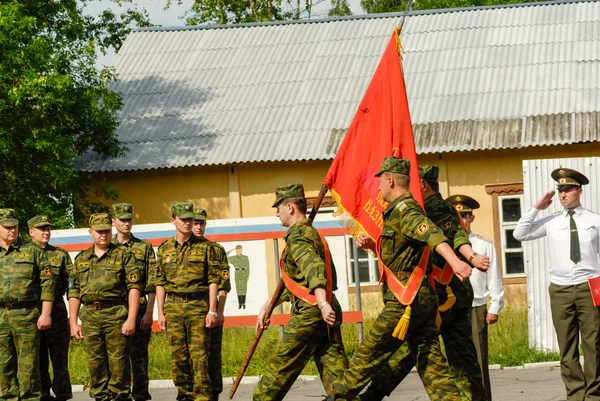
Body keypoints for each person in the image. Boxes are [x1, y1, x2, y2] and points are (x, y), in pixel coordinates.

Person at [332, 158, 471, 401]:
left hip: (406, 300)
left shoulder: (406, 209)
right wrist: (374, 247)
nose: (378, 188)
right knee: (431, 364)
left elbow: (432, 234)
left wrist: (456, 262)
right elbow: (401, 255)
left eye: (380, 182)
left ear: (390, 180)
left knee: (369, 352)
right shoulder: (397, 211)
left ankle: (338, 397)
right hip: (419, 297)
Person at [253, 183, 348, 401]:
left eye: (278, 207)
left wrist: (322, 304)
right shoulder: (311, 233)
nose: (277, 212)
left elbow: (313, 269)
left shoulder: (297, 237)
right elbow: (298, 282)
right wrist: (269, 304)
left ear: (290, 207)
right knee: (338, 380)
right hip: (326, 311)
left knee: (275, 376)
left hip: (310, 313)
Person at [514, 168, 600, 400]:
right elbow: (519, 234)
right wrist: (536, 208)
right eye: (560, 189)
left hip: (588, 287)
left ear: (579, 191)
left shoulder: (595, 220)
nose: (563, 194)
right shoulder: (551, 221)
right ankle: (575, 394)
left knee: (594, 345)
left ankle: (594, 395)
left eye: (568, 189)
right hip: (560, 289)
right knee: (567, 345)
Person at [68, 212, 143, 401]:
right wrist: (73, 322)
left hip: (116, 315)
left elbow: (134, 288)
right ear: (90, 232)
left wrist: (131, 319)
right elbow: (74, 292)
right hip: (90, 317)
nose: (103, 235)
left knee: (119, 367)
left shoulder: (124, 255)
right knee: (96, 367)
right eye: (99, 231)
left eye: (106, 231)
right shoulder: (81, 259)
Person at [155, 202, 225, 401]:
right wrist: (160, 312)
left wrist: (212, 310)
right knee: (178, 358)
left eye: (190, 219)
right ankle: (184, 396)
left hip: (198, 306)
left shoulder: (205, 247)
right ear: (173, 220)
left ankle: (203, 397)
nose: (188, 223)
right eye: (183, 219)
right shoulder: (164, 249)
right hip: (173, 306)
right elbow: (160, 282)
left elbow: (214, 280)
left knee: (200, 357)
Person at [447, 194, 504, 401]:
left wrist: (495, 306)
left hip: (476, 306)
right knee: (453, 360)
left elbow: (494, 276)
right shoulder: (445, 245)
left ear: (472, 217)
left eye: (465, 215)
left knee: (478, 360)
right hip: (450, 308)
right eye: (457, 215)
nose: (461, 219)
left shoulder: (483, 245)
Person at [0, 208, 54, 401]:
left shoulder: (31, 251)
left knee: (29, 366)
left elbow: (48, 284)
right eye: (7, 227)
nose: (12, 230)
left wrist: (46, 313)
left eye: (14, 226)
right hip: (0, 316)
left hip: (26, 313)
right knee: (3, 365)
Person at [110, 203, 156, 401]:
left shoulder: (143, 247)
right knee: (115, 358)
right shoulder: (107, 248)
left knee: (138, 358)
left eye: (129, 219)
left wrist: (149, 313)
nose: (126, 223)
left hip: (139, 311)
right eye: (122, 220)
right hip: (114, 311)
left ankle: (140, 395)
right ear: (114, 221)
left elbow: (153, 282)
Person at [29, 215, 73, 401]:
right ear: (31, 232)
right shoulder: (23, 254)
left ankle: (63, 394)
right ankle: (44, 394)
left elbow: (71, 285)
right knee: (37, 358)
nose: (46, 232)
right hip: (32, 311)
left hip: (56, 311)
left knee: (59, 358)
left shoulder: (60, 255)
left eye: (48, 229)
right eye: (41, 229)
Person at [193, 207, 231, 401]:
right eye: (195, 223)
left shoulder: (216, 250)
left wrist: (219, 311)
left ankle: (214, 393)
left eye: (201, 223)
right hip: (191, 310)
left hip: (211, 309)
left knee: (213, 355)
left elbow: (223, 284)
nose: (198, 227)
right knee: (193, 357)